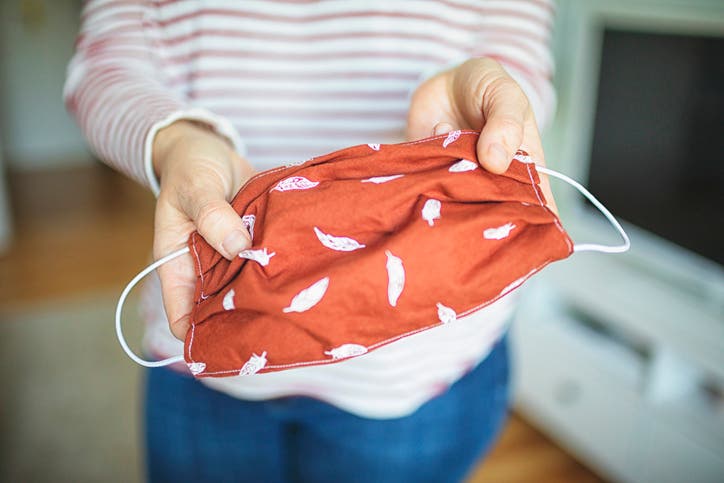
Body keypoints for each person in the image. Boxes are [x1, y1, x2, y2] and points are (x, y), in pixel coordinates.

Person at [65, 1, 557, 481]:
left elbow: (518, 60)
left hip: (419, 370)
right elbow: (106, 63)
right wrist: (176, 142)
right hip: (203, 334)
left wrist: (477, 111)